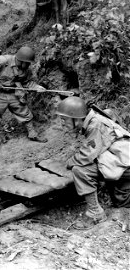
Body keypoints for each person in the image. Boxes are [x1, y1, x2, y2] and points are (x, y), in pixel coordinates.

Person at [56, 96, 130, 230]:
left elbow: (86, 155)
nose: (63, 123)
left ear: (76, 118)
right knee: (121, 203)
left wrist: (69, 163)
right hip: (125, 161)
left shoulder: (96, 124)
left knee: (80, 170)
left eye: (64, 119)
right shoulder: (96, 118)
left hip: (125, 164)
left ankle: (95, 214)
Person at [0, 46, 48, 147]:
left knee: (24, 112)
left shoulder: (26, 70)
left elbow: (26, 83)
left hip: (13, 92)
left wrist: (36, 87)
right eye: (26, 62)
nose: (28, 65)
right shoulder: (3, 61)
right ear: (20, 60)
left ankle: (33, 134)